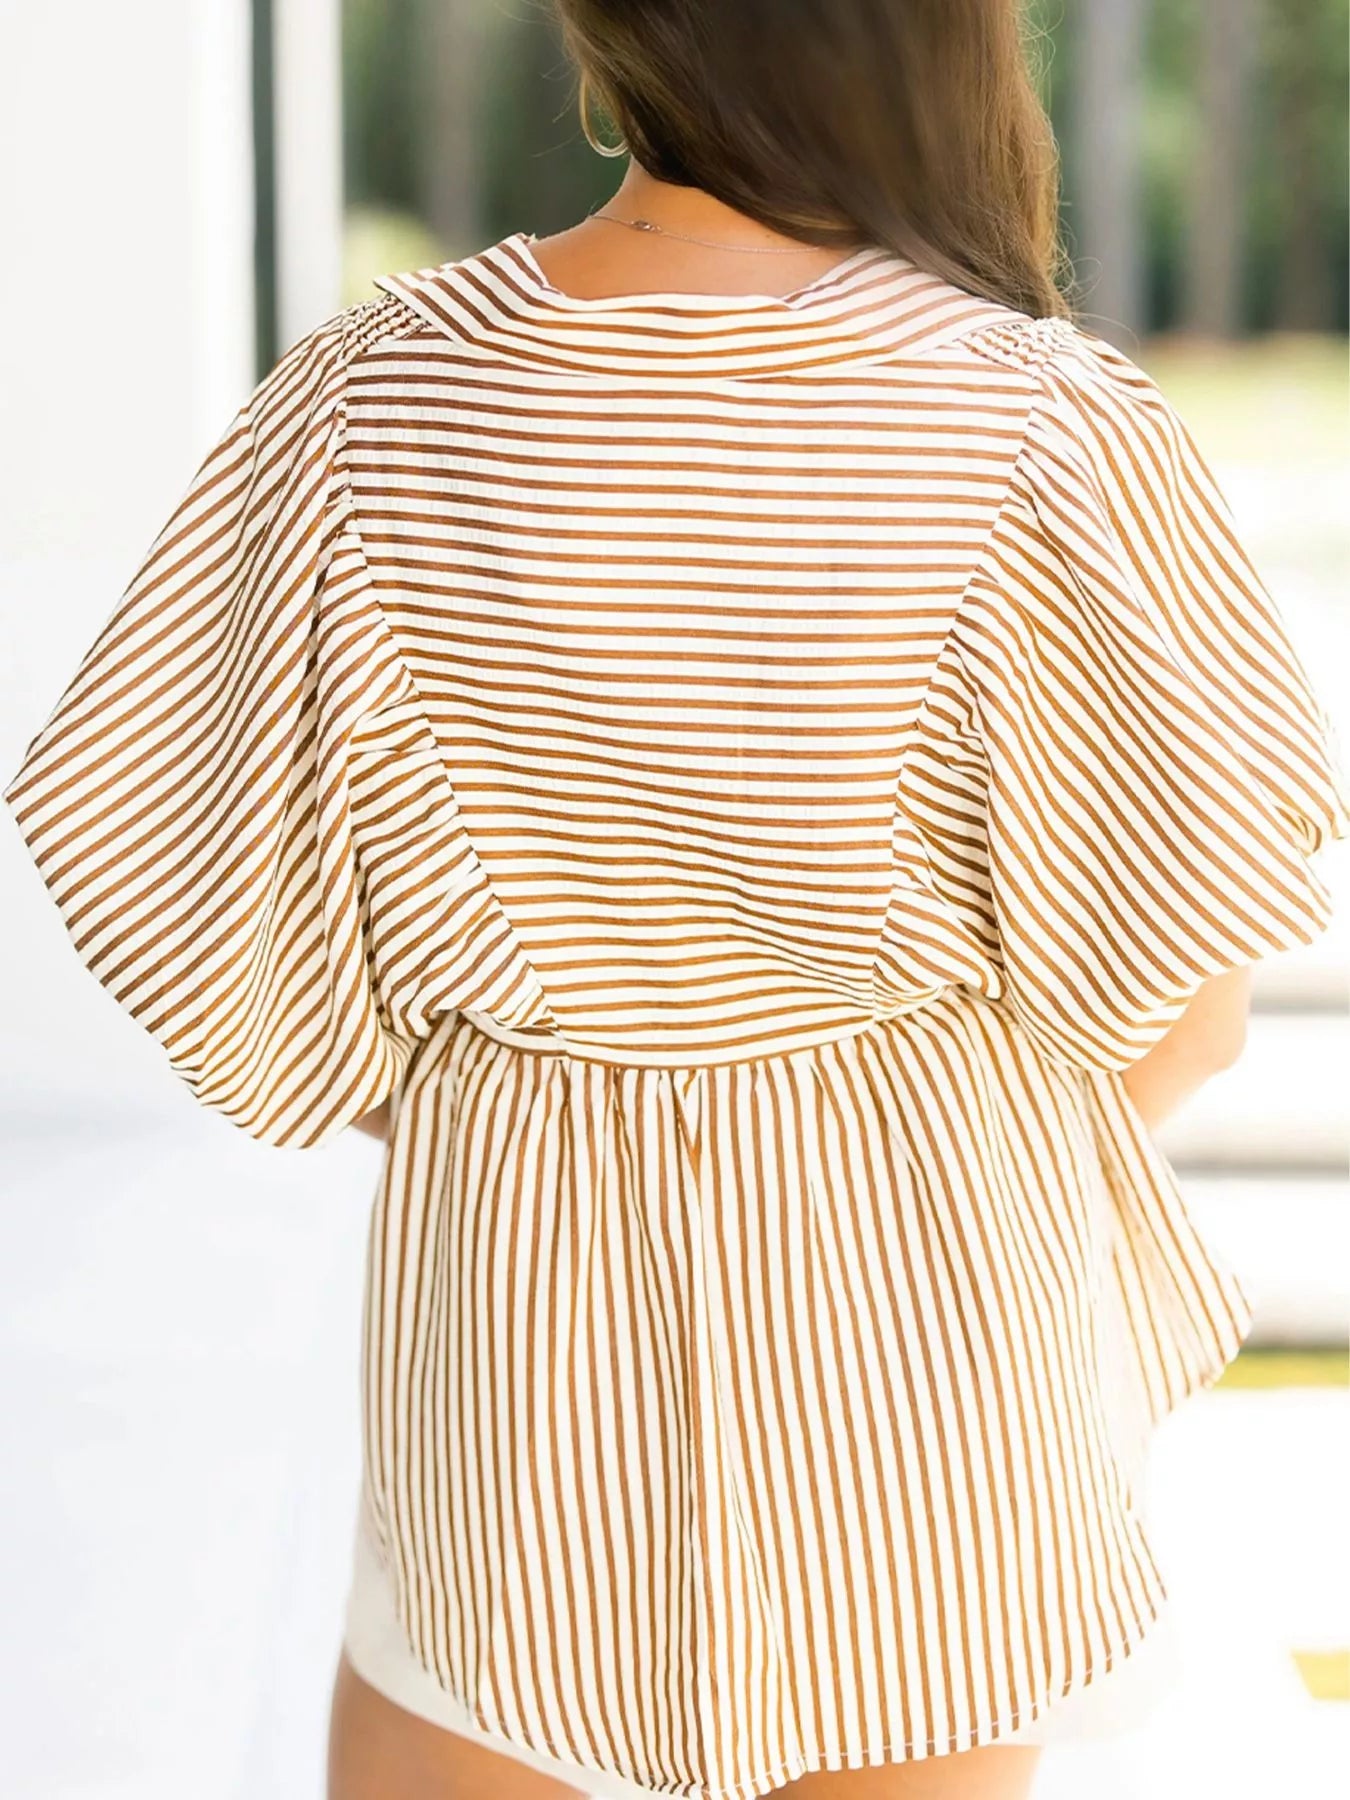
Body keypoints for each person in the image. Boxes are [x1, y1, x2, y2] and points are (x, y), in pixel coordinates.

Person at [5, 4, 1348, 1799]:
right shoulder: (1037, 423)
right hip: (921, 1326)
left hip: (508, 1316)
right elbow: (1182, 1013)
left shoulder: (369, 394)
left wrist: (513, 1092)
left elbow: (182, 887)